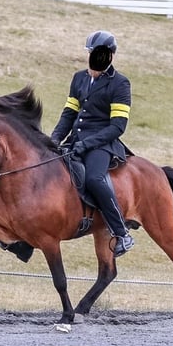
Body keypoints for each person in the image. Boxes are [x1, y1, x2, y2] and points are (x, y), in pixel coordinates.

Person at [50, 30, 135, 257]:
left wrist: (87, 144)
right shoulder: (79, 78)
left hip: (101, 144)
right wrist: (55, 138)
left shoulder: (120, 84)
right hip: (75, 141)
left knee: (94, 178)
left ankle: (122, 233)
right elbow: (69, 113)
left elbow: (117, 126)